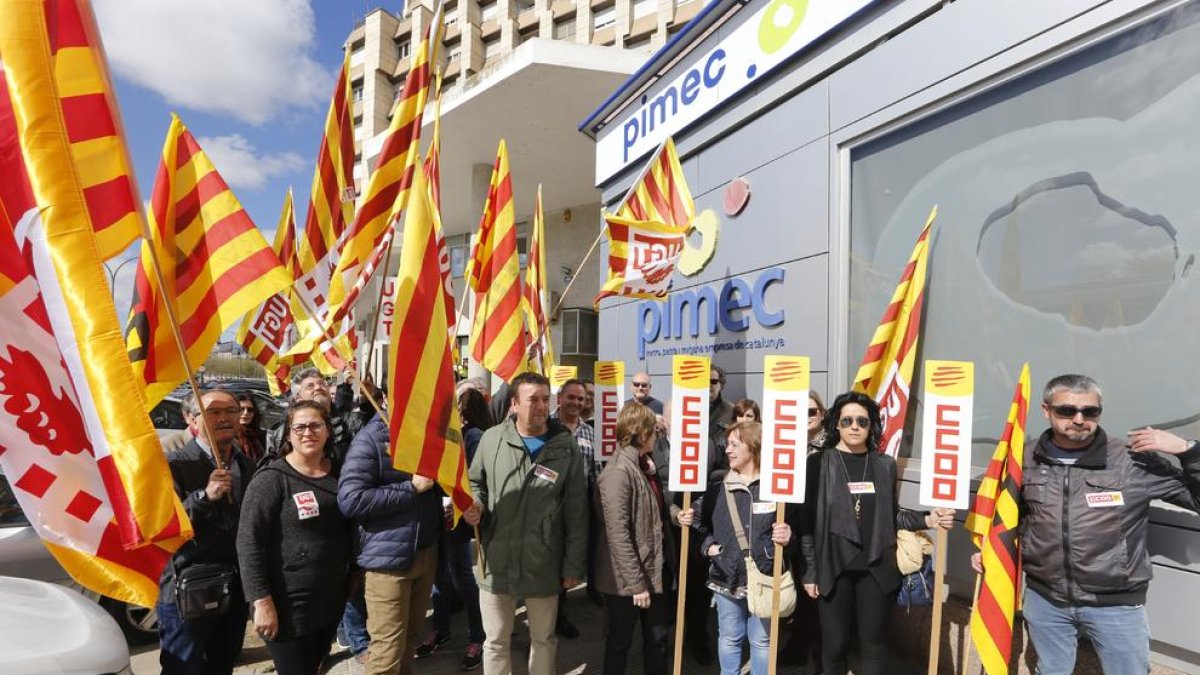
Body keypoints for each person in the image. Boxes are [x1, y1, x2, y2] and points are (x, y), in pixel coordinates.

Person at [971, 374, 1200, 675]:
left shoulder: (1132, 462)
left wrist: (1188, 450)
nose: (1079, 419)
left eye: (1090, 412)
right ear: (1046, 410)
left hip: (1116, 605)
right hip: (1045, 598)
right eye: (1067, 410)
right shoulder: (1024, 459)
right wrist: (994, 547)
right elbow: (1013, 515)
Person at [800, 392, 954, 675]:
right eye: (847, 420)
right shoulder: (819, 463)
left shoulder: (884, 464)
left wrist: (927, 518)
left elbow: (891, 515)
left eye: (862, 421)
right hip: (834, 566)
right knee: (834, 645)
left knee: (874, 644)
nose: (855, 426)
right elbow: (807, 521)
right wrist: (810, 571)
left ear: (871, 426)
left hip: (876, 566)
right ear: (836, 424)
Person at [463, 372, 588, 675]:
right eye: (533, 399)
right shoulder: (491, 439)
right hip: (495, 559)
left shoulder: (564, 446)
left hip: (542, 561)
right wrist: (476, 503)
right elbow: (476, 482)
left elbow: (576, 511)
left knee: (543, 639)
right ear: (515, 403)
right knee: (494, 641)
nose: (542, 406)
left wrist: (573, 567)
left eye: (546, 399)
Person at [237, 401, 351, 675]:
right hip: (287, 605)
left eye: (315, 425)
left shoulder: (341, 472)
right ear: (288, 434)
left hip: (329, 600)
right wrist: (261, 601)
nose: (307, 432)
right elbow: (248, 542)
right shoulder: (272, 479)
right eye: (298, 427)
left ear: (327, 431)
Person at [677, 422, 794, 675]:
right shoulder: (717, 488)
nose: (727, 450)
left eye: (734, 444)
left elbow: (796, 524)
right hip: (726, 576)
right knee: (730, 638)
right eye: (727, 444)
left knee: (762, 641)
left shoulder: (777, 488)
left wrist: (788, 534)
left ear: (753, 447)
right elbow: (694, 519)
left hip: (764, 576)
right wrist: (707, 545)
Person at [157, 388, 258, 675]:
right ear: (191, 419)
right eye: (213, 412)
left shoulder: (246, 465)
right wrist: (204, 497)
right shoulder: (173, 465)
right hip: (188, 591)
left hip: (233, 590)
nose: (224, 418)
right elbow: (165, 527)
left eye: (231, 411)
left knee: (222, 665)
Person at [337, 409, 443, 674]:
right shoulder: (370, 439)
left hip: (426, 552)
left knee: (410, 640)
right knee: (387, 650)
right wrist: (410, 489)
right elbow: (351, 499)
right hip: (387, 563)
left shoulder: (428, 435)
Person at [595, 403, 675, 675]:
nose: (658, 435)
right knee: (620, 643)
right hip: (627, 581)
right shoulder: (618, 473)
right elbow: (618, 535)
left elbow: (655, 512)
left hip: (652, 571)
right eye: (655, 430)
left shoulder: (642, 466)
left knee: (658, 640)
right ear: (641, 434)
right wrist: (636, 584)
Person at [415, 385, 491, 670]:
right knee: (441, 576)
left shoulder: (472, 435)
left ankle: (477, 636)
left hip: (458, 511)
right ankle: (442, 630)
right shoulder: (456, 432)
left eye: (460, 404)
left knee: (461, 576)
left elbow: (471, 476)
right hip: (444, 511)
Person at [781, 391, 828, 668]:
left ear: (821, 414)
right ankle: (797, 649)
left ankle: (819, 660)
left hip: (818, 529)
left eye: (812, 411)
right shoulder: (789, 445)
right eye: (801, 412)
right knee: (798, 595)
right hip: (792, 528)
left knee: (816, 599)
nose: (807, 417)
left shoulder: (830, 447)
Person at [551, 378, 601, 621]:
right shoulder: (544, 426)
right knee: (551, 563)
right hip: (547, 508)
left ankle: (560, 613)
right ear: (560, 398)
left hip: (579, 510)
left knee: (571, 560)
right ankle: (552, 615)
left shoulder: (590, 433)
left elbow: (595, 473)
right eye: (571, 397)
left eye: (581, 399)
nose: (576, 402)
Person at [265, 368, 357, 464]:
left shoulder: (351, 423)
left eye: (322, 383)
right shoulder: (280, 433)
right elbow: (268, 468)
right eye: (310, 386)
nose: (318, 388)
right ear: (298, 398)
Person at [235, 391, 266, 463]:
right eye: (241, 409)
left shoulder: (262, 436)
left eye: (250, 410)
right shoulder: (228, 436)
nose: (246, 413)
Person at [709, 366, 734, 438]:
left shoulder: (732, 411)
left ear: (721, 385)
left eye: (713, 381)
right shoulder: (684, 411)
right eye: (704, 381)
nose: (708, 385)